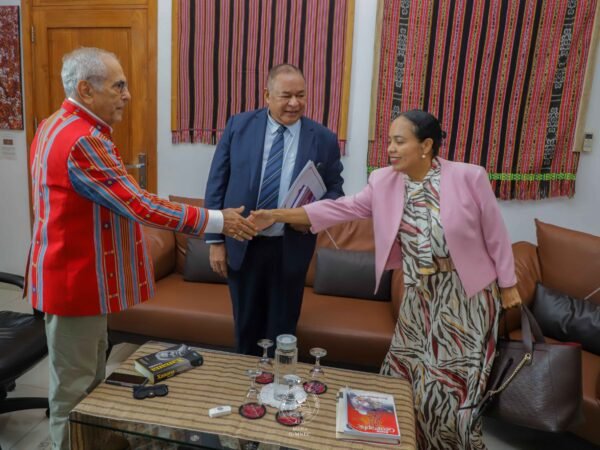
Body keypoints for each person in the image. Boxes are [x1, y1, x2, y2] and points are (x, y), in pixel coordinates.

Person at [27, 47, 257, 450]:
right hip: (74, 287)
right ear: (85, 89)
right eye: (118, 86)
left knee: (90, 383)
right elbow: (140, 205)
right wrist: (217, 220)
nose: (127, 95)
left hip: (78, 283)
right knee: (73, 394)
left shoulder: (54, 124)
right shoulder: (82, 141)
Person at [251, 110, 522, 449]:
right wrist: (276, 215)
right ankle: (407, 441)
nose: (390, 148)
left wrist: (508, 284)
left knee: (450, 384)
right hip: (419, 295)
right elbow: (339, 209)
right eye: (389, 140)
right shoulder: (383, 182)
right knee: (404, 374)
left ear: (426, 145)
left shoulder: (469, 177)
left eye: (399, 141)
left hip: (465, 295)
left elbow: (496, 233)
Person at [205, 63, 344, 355]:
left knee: (283, 330)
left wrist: (310, 219)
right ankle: (247, 379)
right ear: (267, 95)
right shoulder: (239, 126)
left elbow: (335, 191)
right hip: (243, 243)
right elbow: (217, 182)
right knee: (246, 327)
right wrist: (215, 240)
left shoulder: (324, 139)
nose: (294, 103)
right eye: (286, 96)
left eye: (301, 95)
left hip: (289, 246)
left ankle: (279, 380)